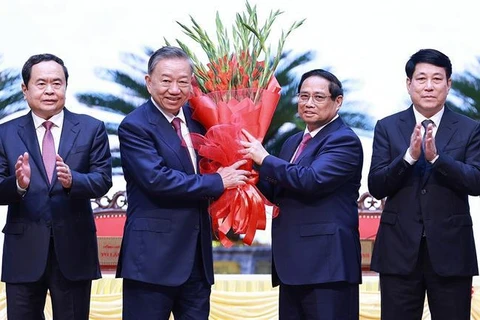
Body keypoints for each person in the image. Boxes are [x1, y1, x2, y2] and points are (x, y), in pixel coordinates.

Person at [116, 46, 249, 320]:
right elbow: (157, 180)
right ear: (148, 81)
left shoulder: (199, 118)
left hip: (197, 264)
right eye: (166, 80)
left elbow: (217, 158)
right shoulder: (135, 126)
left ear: (192, 83)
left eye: (183, 81)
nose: (174, 89)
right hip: (152, 262)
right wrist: (218, 182)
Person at [241, 69, 363, 320]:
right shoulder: (292, 142)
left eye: (318, 97)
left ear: (337, 101)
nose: (308, 103)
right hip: (291, 265)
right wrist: (244, 171)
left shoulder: (344, 140)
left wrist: (263, 159)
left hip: (327, 267)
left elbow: (311, 179)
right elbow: (276, 188)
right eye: (303, 96)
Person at [368, 48, 480, 320]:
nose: (429, 86)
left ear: (449, 84)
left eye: (437, 79)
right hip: (399, 251)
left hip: (451, 250)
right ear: (409, 84)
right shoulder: (388, 126)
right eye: (421, 79)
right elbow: (377, 185)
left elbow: (476, 182)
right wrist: (408, 157)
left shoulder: (470, 128)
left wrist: (438, 159)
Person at [0, 53, 112, 319]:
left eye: (57, 83)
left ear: (65, 86)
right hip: (23, 252)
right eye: (41, 83)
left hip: (74, 248)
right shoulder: (5, 133)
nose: (50, 90)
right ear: (25, 89)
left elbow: (103, 179)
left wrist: (75, 180)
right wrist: (18, 184)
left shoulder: (90, 128)